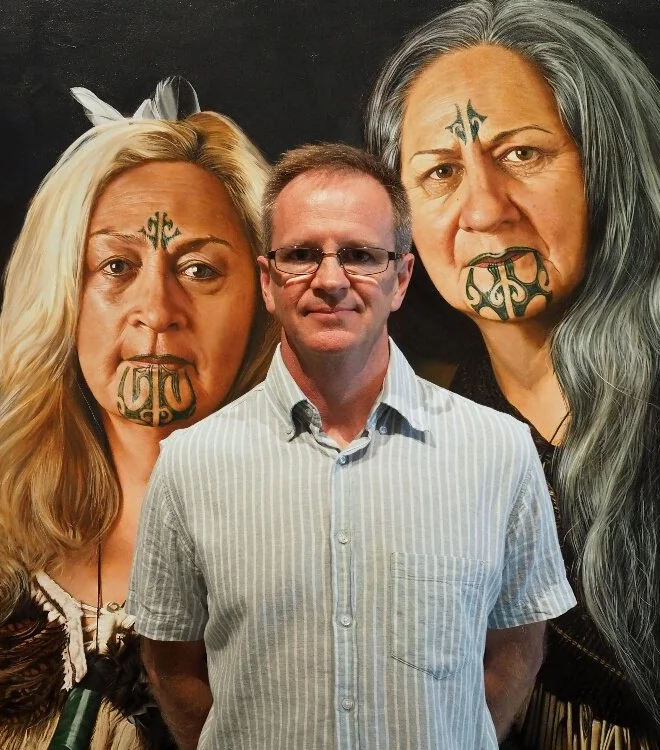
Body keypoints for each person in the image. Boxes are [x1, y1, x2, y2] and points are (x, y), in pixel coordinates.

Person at [127, 143, 576, 749]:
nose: (331, 280)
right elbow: (171, 666)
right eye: (303, 255)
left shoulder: (498, 451)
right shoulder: (191, 463)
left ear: (401, 279)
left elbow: (517, 645)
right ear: (268, 281)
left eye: (361, 255)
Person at [364, 1, 660, 746]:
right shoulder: (404, 464)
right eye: (440, 172)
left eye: (523, 155)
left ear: (611, 166)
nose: (485, 209)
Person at [0, 81, 277, 749]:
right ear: (62, 300)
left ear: (261, 303)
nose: (157, 310)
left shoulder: (319, 555)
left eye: (199, 270)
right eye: (116, 265)